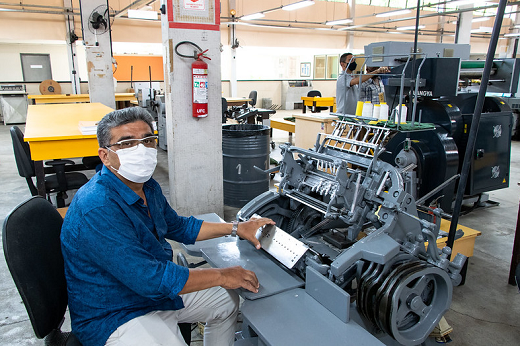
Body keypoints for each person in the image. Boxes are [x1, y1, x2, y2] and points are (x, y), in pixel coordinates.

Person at [61, 107, 275, 346]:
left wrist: (236, 228)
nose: (141, 149)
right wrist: (223, 275)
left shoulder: (146, 186)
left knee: (225, 301)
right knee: (220, 284)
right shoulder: (97, 207)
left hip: (150, 295)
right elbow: (150, 279)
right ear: (105, 155)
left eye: (147, 140)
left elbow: (178, 227)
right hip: (114, 311)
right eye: (127, 143)